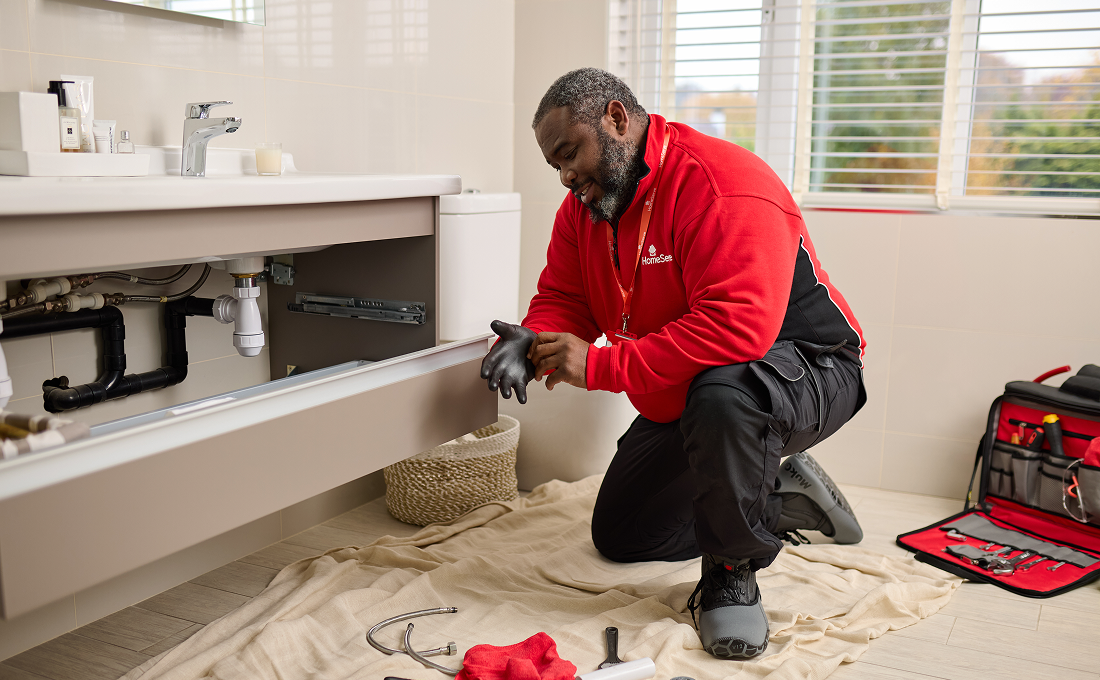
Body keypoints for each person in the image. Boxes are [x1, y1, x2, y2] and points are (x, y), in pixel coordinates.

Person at [480, 68, 866, 660]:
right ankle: (774, 493)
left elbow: (737, 327)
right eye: (554, 165)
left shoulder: (722, 183)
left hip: (806, 367)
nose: (565, 176)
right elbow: (568, 295)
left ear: (615, 118)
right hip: (694, 386)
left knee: (726, 393)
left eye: (570, 154)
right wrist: (534, 338)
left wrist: (602, 366)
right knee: (624, 533)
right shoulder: (587, 209)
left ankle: (730, 574)